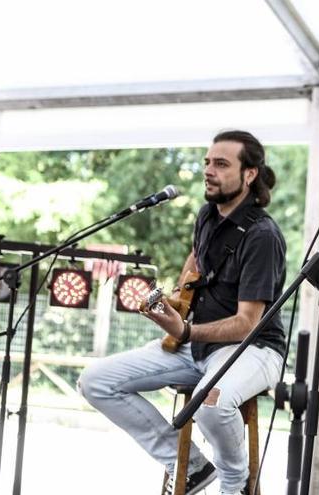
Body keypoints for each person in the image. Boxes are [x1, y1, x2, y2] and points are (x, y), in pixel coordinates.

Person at [79, 130, 287, 495]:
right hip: (196, 344)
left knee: (210, 405)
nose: (209, 170)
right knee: (96, 380)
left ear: (249, 174)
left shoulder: (263, 236)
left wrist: (186, 331)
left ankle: (236, 484)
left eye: (221, 164)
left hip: (254, 349)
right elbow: (196, 258)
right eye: (207, 162)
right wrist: (175, 299)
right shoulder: (207, 215)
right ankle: (189, 465)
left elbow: (248, 324)